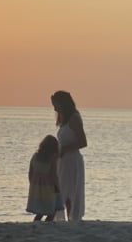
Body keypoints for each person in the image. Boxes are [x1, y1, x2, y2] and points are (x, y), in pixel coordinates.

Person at [51, 90, 87, 221]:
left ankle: (72, 217)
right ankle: (64, 217)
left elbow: (83, 142)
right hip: (63, 160)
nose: (54, 108)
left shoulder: (74, 118)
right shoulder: (63, 119)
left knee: (70, 190)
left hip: (72, 159)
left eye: (56, 104)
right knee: (61, 189)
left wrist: (65, 149)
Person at [26, 134, 63, 222]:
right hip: (48, 188)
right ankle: (47, 224)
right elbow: (53, 175)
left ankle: (36, 223)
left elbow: (31, 172)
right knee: (52, 211)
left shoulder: (35, 156)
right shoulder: (52, 159)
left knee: (40, 211)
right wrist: (57, 188)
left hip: (36, 187)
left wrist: (32, 184)